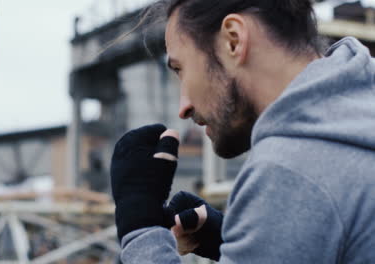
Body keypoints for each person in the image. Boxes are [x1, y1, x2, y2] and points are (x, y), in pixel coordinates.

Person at [110, 0, 375, 263]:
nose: (184, 106)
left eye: (181, 69)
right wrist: (237, 242)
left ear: (233, 40)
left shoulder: (290, 171)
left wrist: (139, 229)